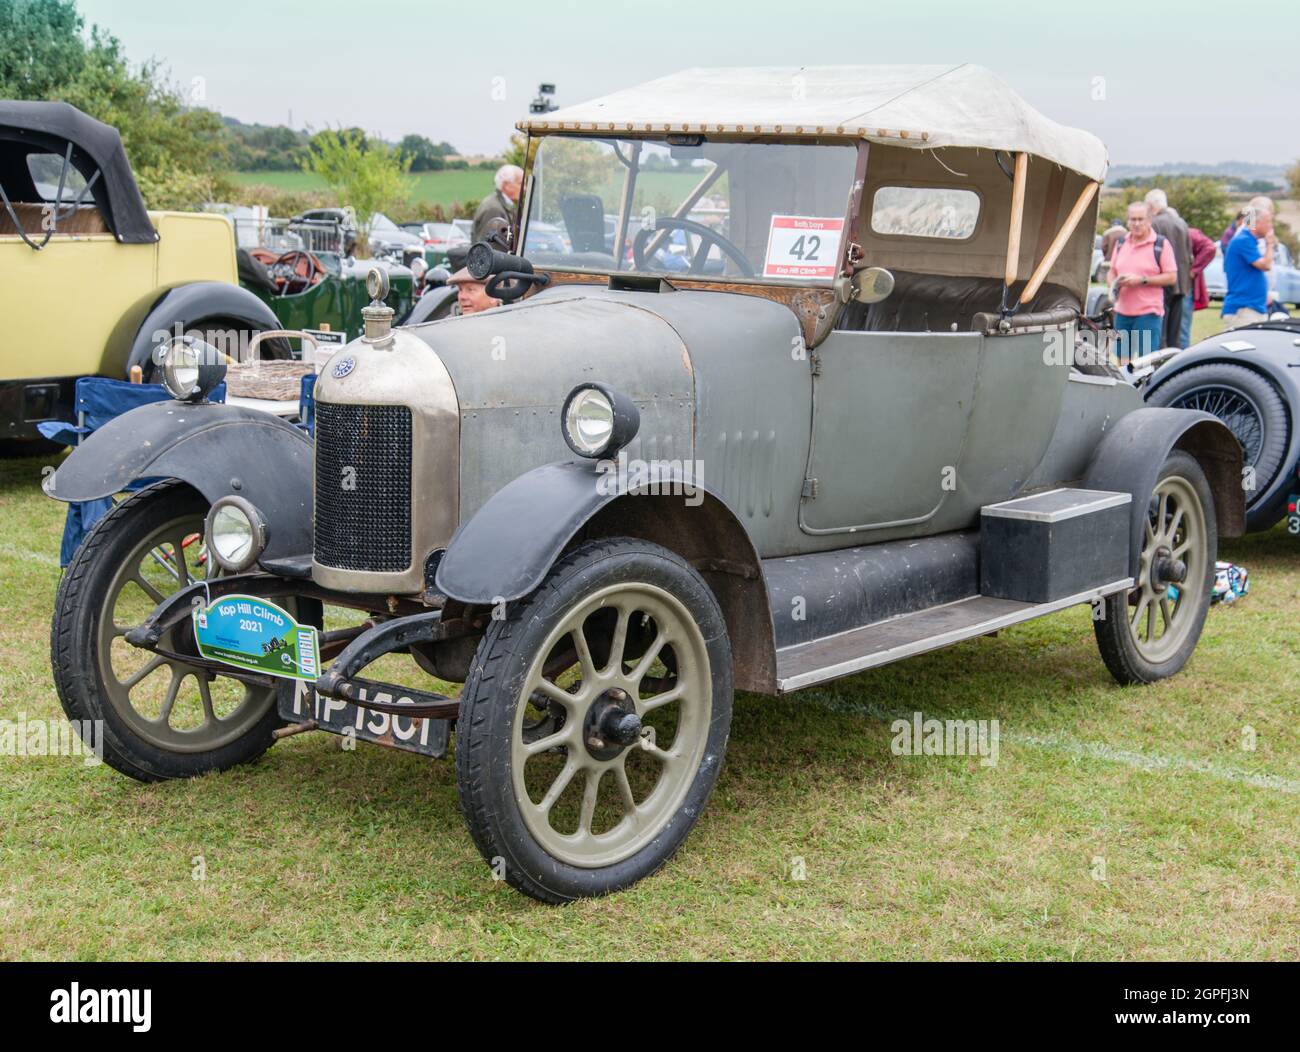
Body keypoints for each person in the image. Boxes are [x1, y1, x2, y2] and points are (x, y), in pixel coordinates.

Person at [1110, 201, 1177, 359]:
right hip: (1122, 312)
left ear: (1149, 221)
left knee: (1145, 362)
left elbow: (1172, 277)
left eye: (1141, 219)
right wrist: (1113, 285)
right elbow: (1112, 270)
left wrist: (1142, 280)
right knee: (1122, 359)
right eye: (1133, 219)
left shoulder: (1160, 244)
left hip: (1148, 313)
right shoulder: (1121, 243)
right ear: (1127, 221)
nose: (1137, 223)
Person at [1145, 189, 1191, 348]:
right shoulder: (1181, 222)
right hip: (1181, 283)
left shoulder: (1155, 223)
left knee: (1160, 331)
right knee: (1175, 333)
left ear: (1150, 205)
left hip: (1162, 282)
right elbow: (1188, 253)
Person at [1221, 197, 1276, 328]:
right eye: (1268, 222)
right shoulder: (1243, 239)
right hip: (1244, 307)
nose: (1271, 227)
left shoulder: (1249, 238)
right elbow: (1266, 265)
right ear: (1256, 222)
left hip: (1255, 305)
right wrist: (1270, 244)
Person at [1182, 226, 1218, 348]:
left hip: (1183, 288)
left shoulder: (1188, 233)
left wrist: (1193, 270)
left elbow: (1210, 248)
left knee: (1181, 330)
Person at [472, 164, 523, 243]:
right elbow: (488, 247)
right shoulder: (494, 209)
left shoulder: (505, 205)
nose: (525, 188)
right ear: (507, 185)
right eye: (521, 184)